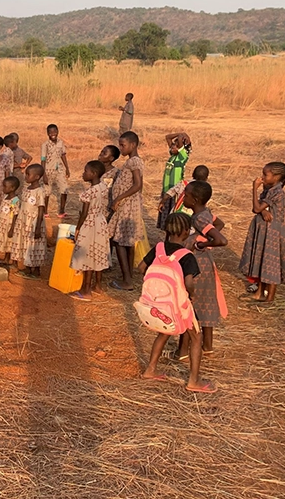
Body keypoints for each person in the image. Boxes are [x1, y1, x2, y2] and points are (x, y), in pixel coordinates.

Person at [139, 212, 215, 394]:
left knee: (163, 333)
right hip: (180, 305)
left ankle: (150, 369)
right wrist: (192, 294)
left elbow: (141, 267)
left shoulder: (158, 249)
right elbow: (189, 282)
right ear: (185, 232)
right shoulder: (186, 255)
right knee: (196, 337)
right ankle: (194, 380)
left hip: (161, 304)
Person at [176, 181, 228, 360]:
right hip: (206, 263)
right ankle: (208, 346)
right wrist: (203, 238)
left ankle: (182, 351)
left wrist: (201, 243)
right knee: (206, 302)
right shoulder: (206, 213)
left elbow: (221, 240)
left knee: (189, 304)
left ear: (195, 199)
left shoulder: (198, 218)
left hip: (197, 264)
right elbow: (219, 224)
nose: (184, 197)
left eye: (187, 194)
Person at [239, 162, 285, 303]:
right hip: (265, 230)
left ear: (276, 177)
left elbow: (256, 208)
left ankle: (270, 298)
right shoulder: (270, 188)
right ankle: (259, 294)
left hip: (272, 232)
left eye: (265, 175)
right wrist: (263, 210)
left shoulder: (277, 192)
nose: (262, 177)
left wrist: (254, 189)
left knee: (271, 263)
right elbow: (259, 208)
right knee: (262, 260)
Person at [109, 131, 146, 291]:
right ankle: (128, 274)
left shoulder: (133, 162)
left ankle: (127, 281)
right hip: (130, 204)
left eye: (123, 145)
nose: (121, 148)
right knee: (128, 242)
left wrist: (118, 198)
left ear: (133, 145)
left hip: (126, 205)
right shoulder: (133, 162)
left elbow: (137, 185)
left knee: (119, 242)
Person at [70, 161, 110, 299]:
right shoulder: (103, 186)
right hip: (101, 222)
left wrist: (78, 227)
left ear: (93, 174)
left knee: (87, 256)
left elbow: (85, 213)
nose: (83, 173)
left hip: (90, 224)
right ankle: (97, 285)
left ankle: (85, 290)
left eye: (85, 171)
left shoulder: (89, 192)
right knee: (97, 253)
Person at [11, 164, 48, 278]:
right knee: (26, 244)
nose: (26, 176)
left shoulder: (40, 191)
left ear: (37, 177)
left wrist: (37, 227)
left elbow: (41, 209)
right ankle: (27, 268)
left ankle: (35, 270)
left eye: (28, 174)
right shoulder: (26, 188)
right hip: (24, 221)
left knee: (34, 245)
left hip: (33, 222)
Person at [156, 132, 192, 230]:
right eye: (172, 145)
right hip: (166, 189)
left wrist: (183, 135)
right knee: (165, 214)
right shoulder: (172, 156)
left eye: (176, 146)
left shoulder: (182, 157)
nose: (172, 147)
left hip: (174, 190)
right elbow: (167, 137)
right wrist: (180, 133)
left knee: (172, 216)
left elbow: (180, 139)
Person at [0, 176, 21, 267]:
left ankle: (9, 259)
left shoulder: (15, 200)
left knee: (9, 242)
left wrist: (12, 228)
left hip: (9, 224)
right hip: (2, 223)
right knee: (5, 241)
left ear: (12, 188)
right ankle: (5, 259)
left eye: (4, 186)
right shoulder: (6, 197)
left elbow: (15, 214)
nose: (3, 188)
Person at [41, 124, 70, 218]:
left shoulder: (61, 143)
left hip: (60, 170)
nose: (53, 134)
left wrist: (67, 169)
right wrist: (43, 174)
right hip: (48, 170)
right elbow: (43, 160)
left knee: (64, 189)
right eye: (51, 132)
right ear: (48, 134)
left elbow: (63, 155)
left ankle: (62, 211)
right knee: (47, 191)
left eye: (55, 131)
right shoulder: (45, 145)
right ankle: (45, 212)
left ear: (58, 132)